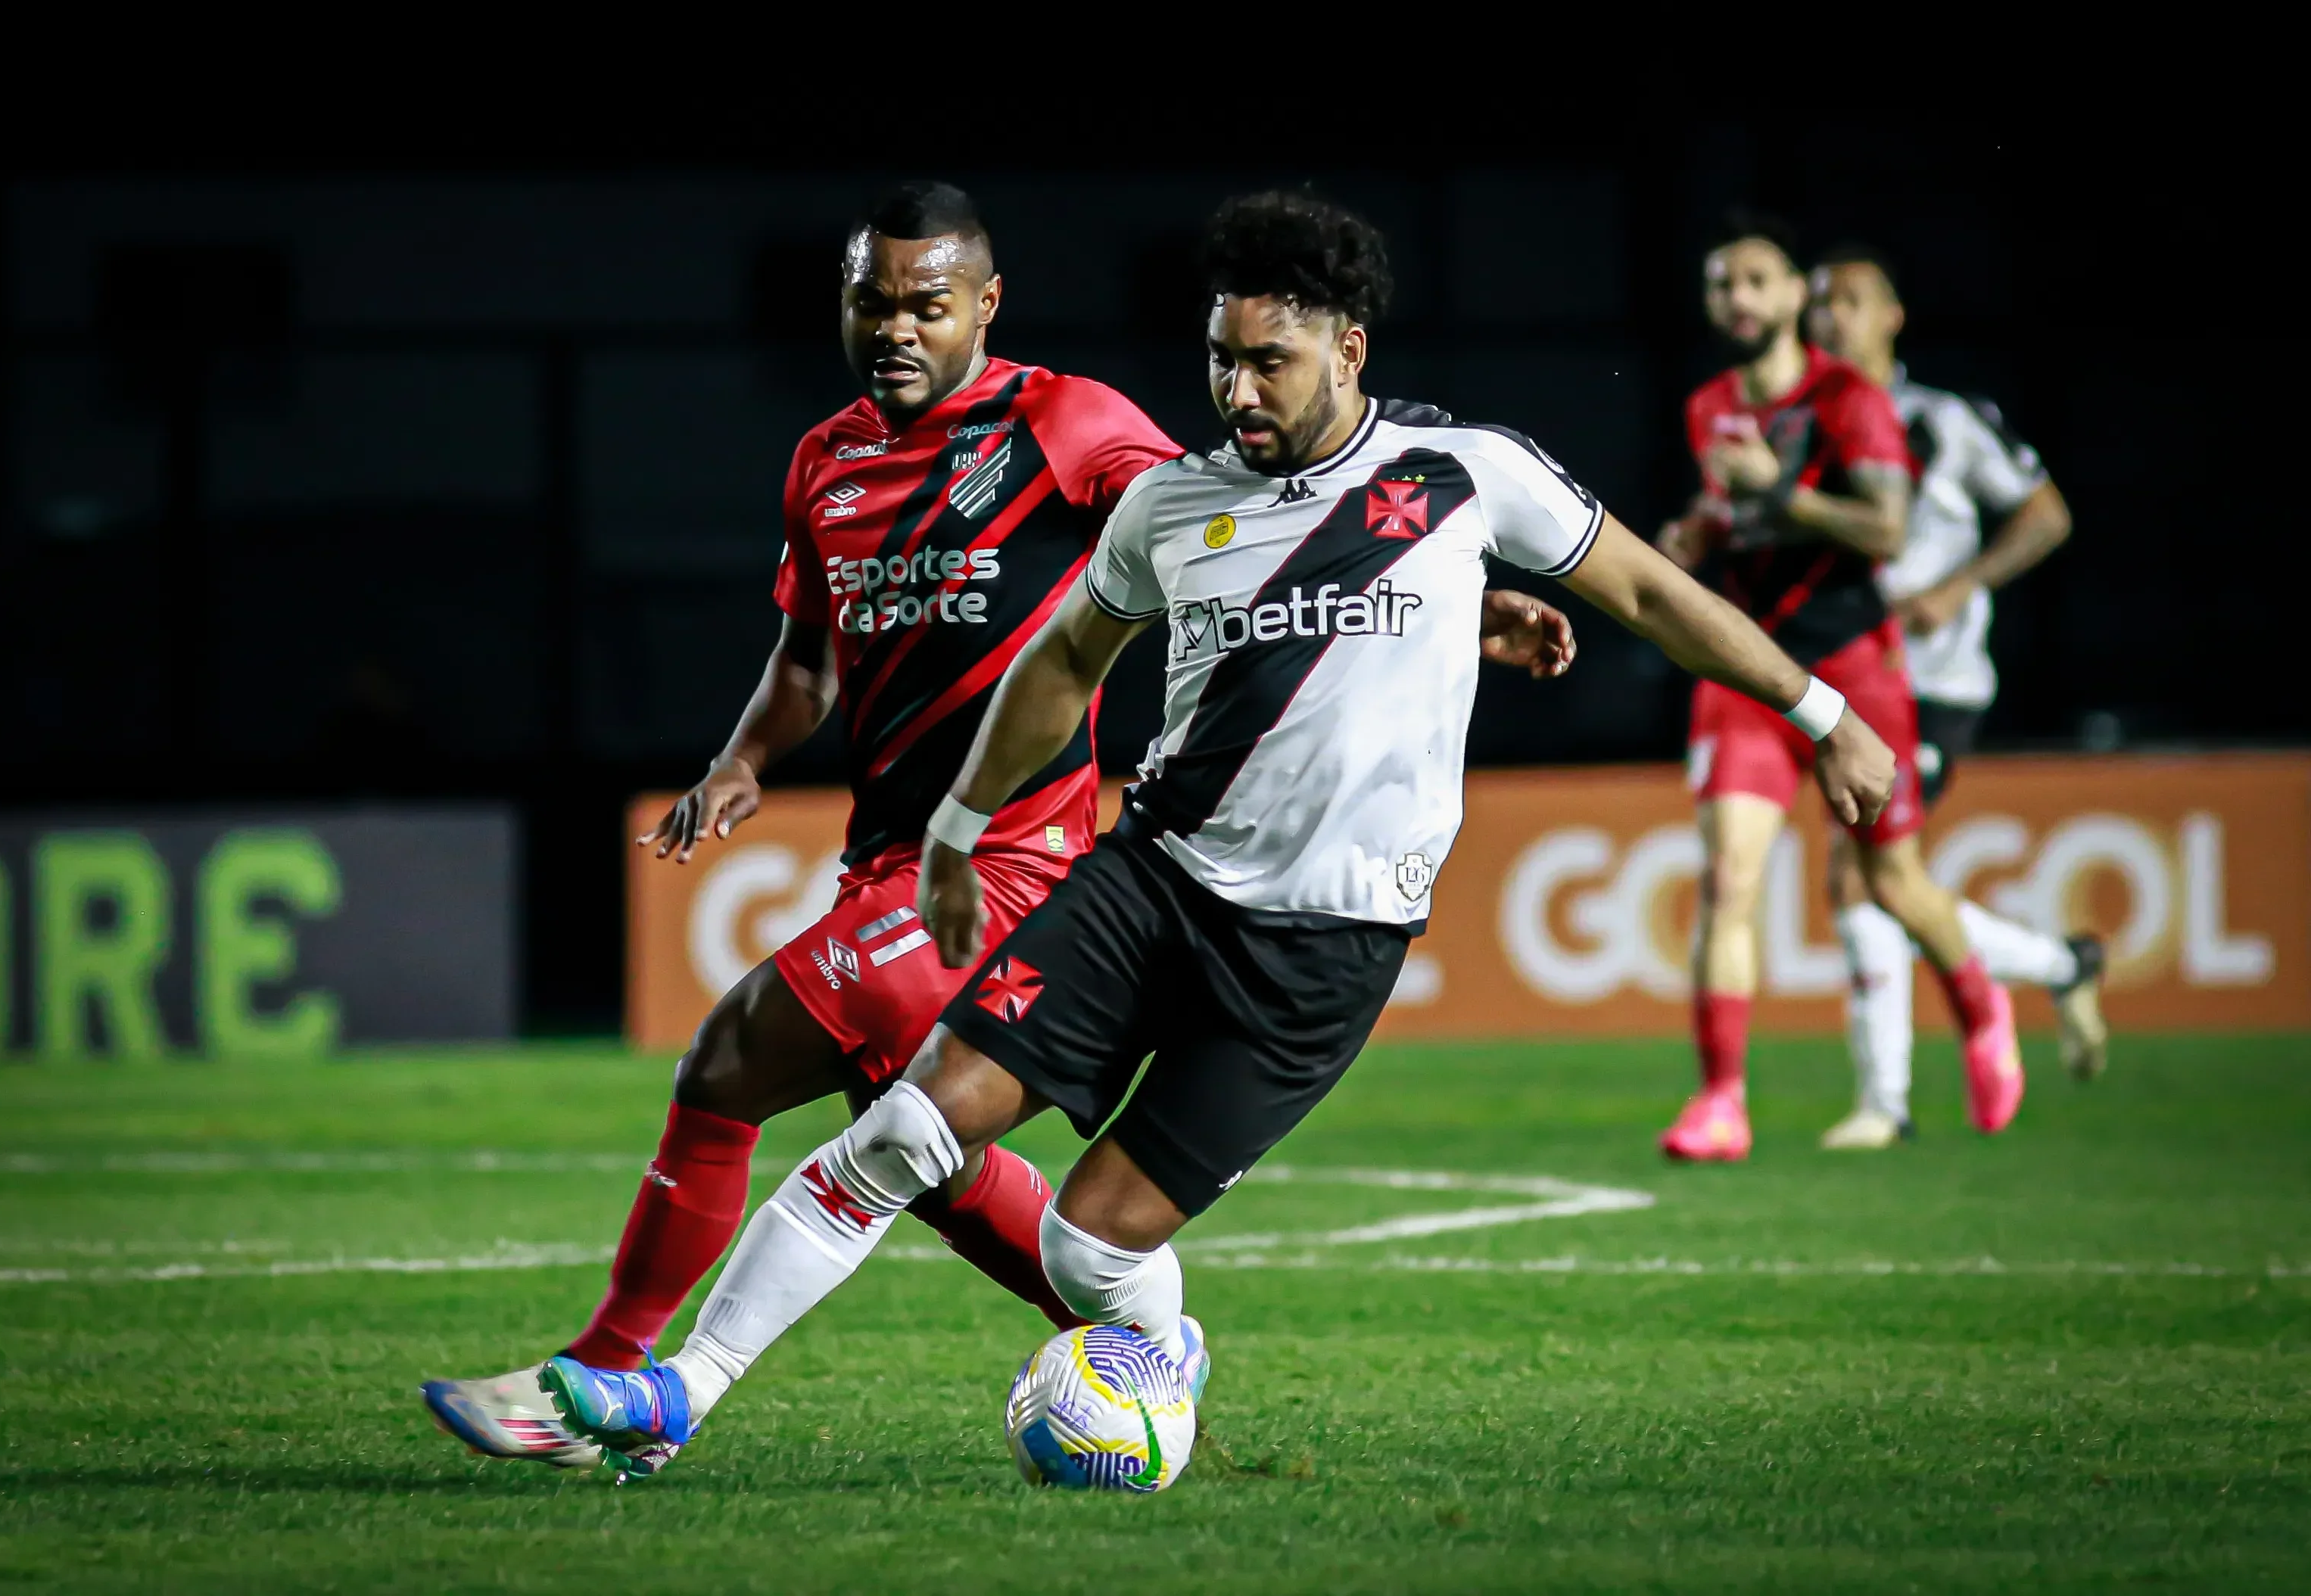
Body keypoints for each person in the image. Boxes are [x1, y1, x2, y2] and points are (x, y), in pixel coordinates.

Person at [529, 190, 1902, 1476]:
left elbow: (1655, 597)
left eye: (1269, 361)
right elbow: (1057, 668)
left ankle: (1151, 1348)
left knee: (1084, 1242)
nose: (1237, 391)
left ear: (1345, 347)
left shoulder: (1462, 476)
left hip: (1324, 947)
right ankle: (679, 1388)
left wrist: (1821, 707)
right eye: (1218, 359)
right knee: (907, 1127)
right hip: (1151, 883)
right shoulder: (1171, 505)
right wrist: (954, 827)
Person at [419, 180, 1183, 1472]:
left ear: (983, 306)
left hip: (1007, 866)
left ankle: (607, 1385)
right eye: (871, 302)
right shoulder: (825, 460)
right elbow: (806, 660)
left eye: (925, 305)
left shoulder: (1060, 419)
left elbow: (1201, 519)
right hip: (886, 861)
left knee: (723, 1062)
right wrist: (738, 762)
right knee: (925, 1150)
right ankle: (1144, 1339)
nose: (896, 327)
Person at [1653, 213, 2021, 1161]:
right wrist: (1694, 538)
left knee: (1890, 883)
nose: (1736, 298)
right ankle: (1722, 1100)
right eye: (1720, 283)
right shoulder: (1706, 406)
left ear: (1790, 299)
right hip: (1746, 671)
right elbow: (1730, 520)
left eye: (1755, 281)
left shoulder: (1849, 398)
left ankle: (1981, 1006)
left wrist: (1780, 491)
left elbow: (1886, 533)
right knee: (1728, 880)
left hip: (1853, 672)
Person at [1807, 244, 2107, 1150]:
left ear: (1893, 314)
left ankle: (1884, 1103)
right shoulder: (1799, 425)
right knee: (1874, 877)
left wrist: (1960, 585)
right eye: (1820, 302)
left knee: (1860, 872)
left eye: (1853, 299)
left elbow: (2045, 514)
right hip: (1846, 678)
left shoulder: (1940, 420)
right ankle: (2061, 965)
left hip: (1930, 682)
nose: (1832, 317)